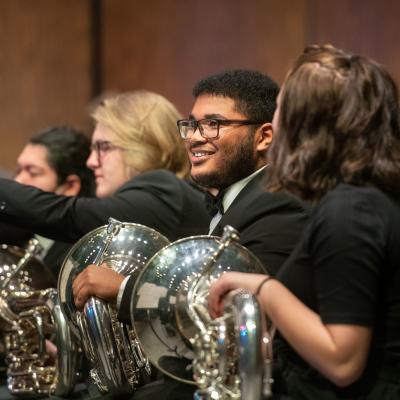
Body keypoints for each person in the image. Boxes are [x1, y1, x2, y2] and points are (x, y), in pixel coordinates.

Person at [208, 45, 400, 399]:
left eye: (280, 108)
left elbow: (342, 361)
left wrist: (264, 289)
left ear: (306, 125)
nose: (274, 124)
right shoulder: (361, 199)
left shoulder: (351, 211)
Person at [128, 70, 309, 400]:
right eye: (192, 125)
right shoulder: (228, 200)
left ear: (264, 136)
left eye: (213, 124)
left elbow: (232, 315)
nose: (195, 138)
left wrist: (125, 288)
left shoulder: (279, 203)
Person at [0, 126, 95, 275]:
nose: (18, 181)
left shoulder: (81, 257)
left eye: (33, 172)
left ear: (70, 186)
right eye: (19, 170)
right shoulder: (12, 230)